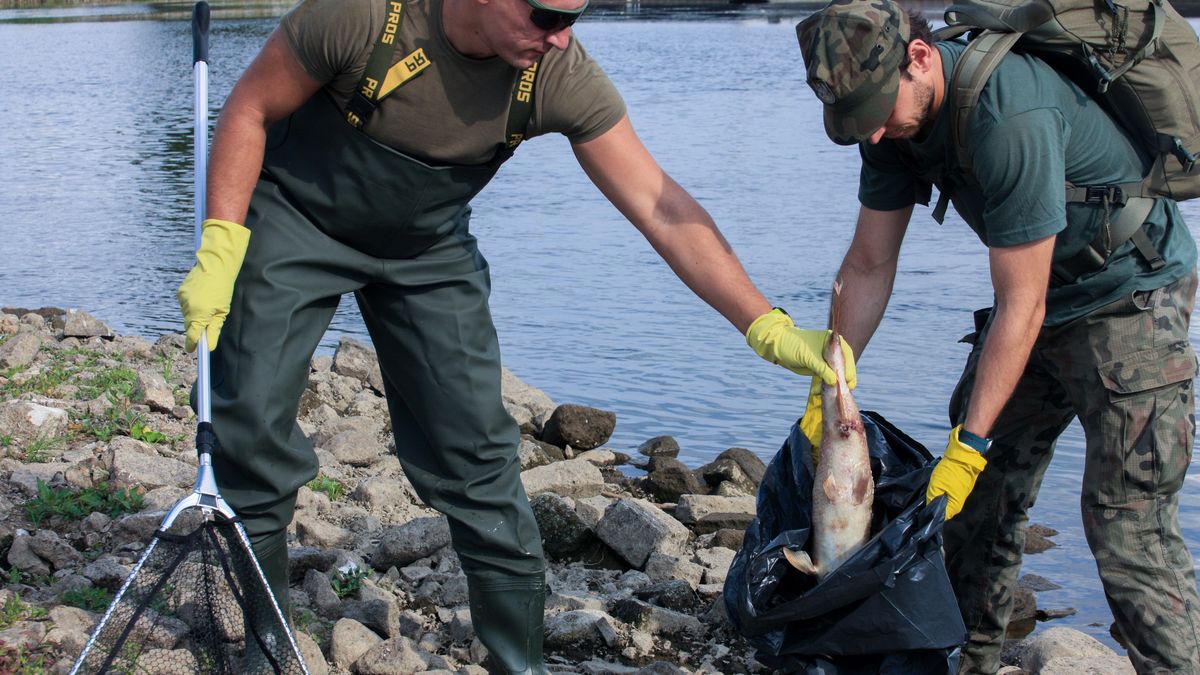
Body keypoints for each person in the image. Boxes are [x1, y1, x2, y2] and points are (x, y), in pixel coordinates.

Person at [175, 0, 855, 671]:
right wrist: (221, 246)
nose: (560, 38)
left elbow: (661, 205)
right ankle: (266, 647)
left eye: (573, 19)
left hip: (424, 250)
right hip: (296, 220)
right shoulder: (361, 17)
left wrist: (764, 324)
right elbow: (249, 109)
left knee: (479, 456)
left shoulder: (557, 74)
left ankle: (519, 662)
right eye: (546, 17)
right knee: (250, 424)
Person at [794, 0, 1200, 673]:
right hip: (1039, 296)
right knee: (974, 510)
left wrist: (970, 446)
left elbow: (1022, 305)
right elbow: (867, 266)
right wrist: (829, 381)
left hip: (1130, 299)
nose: (873, 133)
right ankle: (967, 664)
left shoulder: (1008, 116)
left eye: (875, 112)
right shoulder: (887, 123)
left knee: (1129, 532)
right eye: (856, 121)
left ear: (919, 58)